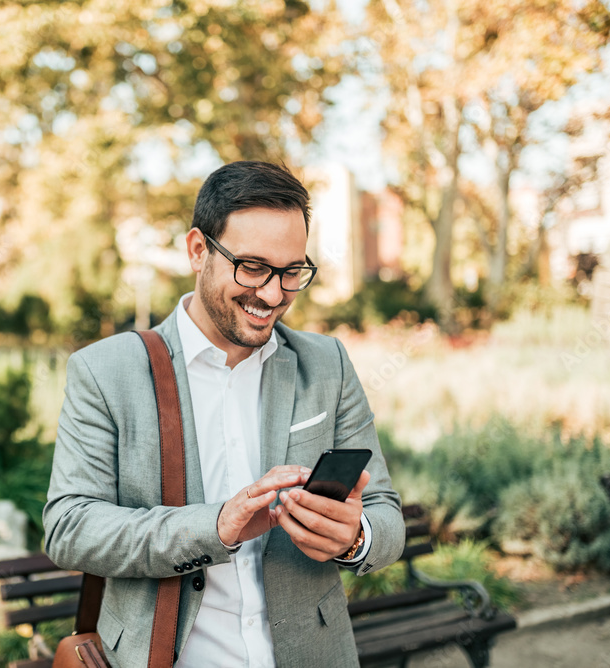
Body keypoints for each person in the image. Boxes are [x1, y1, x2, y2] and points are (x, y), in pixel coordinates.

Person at [43, 161, 404, 667]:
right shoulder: (105, 372)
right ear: (197, 250)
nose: (274, 294)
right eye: (252, 267)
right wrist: (216, 525)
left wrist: (355, 537)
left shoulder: (328, 364)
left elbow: (386, 512)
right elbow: (70, 527)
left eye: (292, 272)